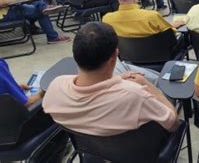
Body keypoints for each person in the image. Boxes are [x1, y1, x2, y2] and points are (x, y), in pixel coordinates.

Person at [43, 22, 180, 136]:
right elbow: (173, 124)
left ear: (75, 54)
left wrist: (119, 79)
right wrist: (149, 87)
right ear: (114, 56)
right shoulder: (136, 95)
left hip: (91, 149)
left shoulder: (56, 85)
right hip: (139, 153)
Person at [103, 0, 174, 38]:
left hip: (125, 53)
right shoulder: (152, 16)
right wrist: (173, 26)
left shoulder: (107, 20)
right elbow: (170, 34)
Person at [0, 0, 70, 44]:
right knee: (40, 12)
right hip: (6, 13)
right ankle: (52, 37)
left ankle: (44, 7)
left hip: (8, 7)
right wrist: (12, 0)